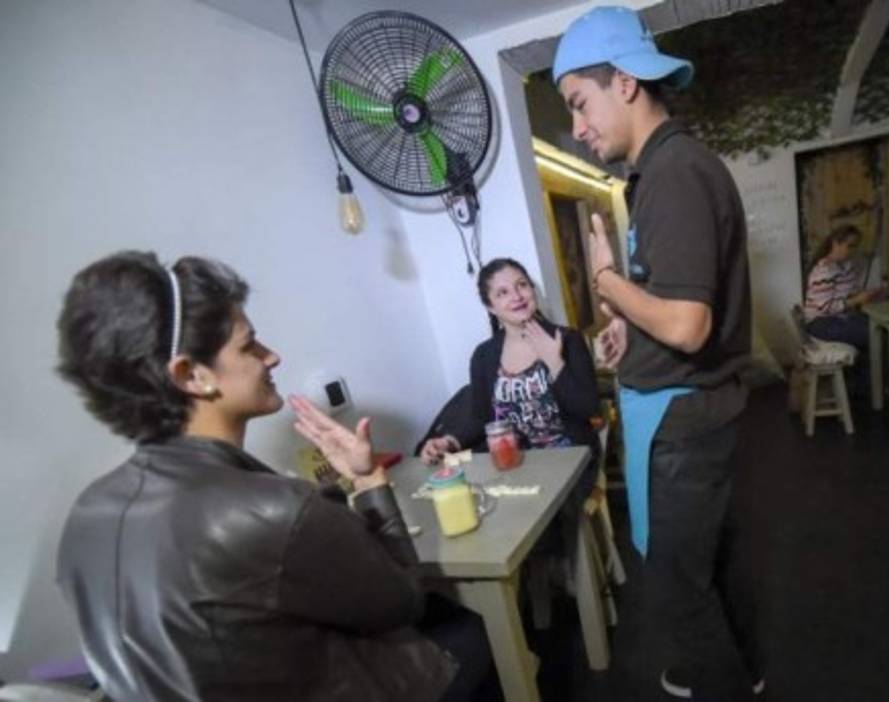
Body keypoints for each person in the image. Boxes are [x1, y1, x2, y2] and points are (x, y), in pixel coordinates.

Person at [55, 251, 495, 702]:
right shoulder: (273, 510)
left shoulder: (85, 518)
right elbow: (402, 600)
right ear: (192, 374)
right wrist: (368, 483)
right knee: (473, 634)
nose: (272, 357)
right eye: (250, 346)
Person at [553, 6, 762, 700]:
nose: (578, 129)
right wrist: (626, 325)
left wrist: (605, 278)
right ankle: (742, 668)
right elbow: (668, 309)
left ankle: (721, 683)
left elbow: (688, 325)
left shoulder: (673, 173)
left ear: (625, 83)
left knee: (676, 578)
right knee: (710, 561)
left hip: (682, 417)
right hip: (691, 411)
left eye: (580, 104)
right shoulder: (662, 173)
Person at [417, 257, 600, 561]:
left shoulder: (567, 339)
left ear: (532, 290)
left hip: (568, 460)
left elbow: (587, 408)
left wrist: (555, 362)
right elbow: (480, 418)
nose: (516, 296)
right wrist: (447, 441)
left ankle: (558, 583)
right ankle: (523, 589)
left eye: (522, 285)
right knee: (482, 512)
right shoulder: (484, 355)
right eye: (502, 293)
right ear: (490, 307)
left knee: (532, 523)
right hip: (514, 463)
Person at [800, 223, 878, 350]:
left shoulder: (844, 266)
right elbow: (825, 308)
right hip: (820, 322)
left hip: (836, 317)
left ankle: (868, 366)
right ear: (835, 243)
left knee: (877, 325)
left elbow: (848, 292)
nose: (853, 250)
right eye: (850, 246)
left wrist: (867, 294)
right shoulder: (824, 270)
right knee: (872, 333)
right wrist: (856, 300)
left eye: (855, 246)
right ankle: (869, 368)